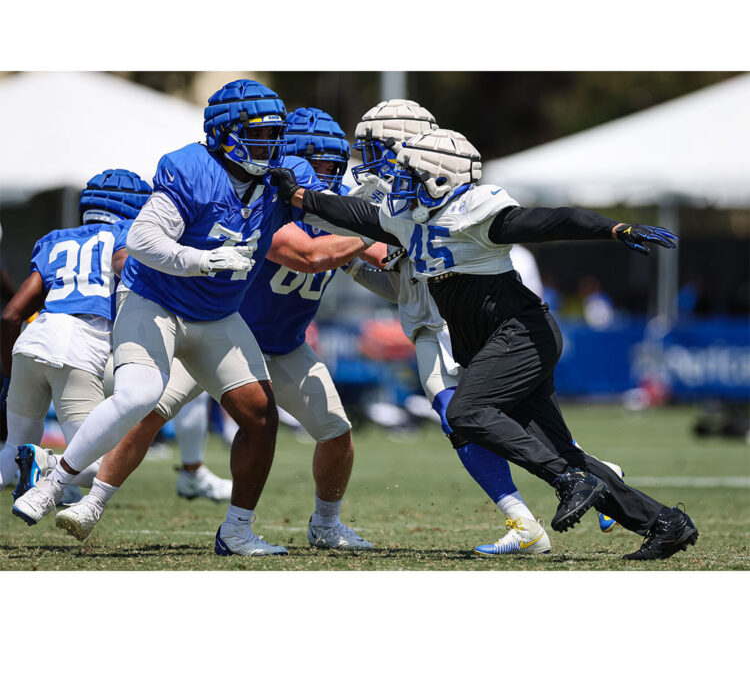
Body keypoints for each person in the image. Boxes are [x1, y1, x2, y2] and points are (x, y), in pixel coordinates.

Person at [271, 127, 699, 561]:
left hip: (521, 334)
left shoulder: (476, 211)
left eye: (409, 174)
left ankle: (567, 480)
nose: (398, 182)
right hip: (491, 341)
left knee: (466, 412)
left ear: (438, 178)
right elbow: (354, 214)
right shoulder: (409, 215)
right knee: (561, 450)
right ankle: (664, 523)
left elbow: (551, 221)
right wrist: (300, 197)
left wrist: (613, 229)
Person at [51, 105, 374, 551]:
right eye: (321, 163)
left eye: (337, 164)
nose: (331, 173)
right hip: (215, 330)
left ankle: (323, 524)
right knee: (146, 410)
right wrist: (377, 225)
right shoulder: (268, 203)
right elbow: (313, 255)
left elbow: (375, 256)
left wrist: (391, 225)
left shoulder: (321, 209)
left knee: (336, 433)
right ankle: (92, 499)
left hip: (279, 346)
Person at [12, 79, 304, 557]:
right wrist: (204, 261)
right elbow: (144, 241)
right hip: (155, 301)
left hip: (216, 316)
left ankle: (236, 531)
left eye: (275, 135)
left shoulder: (278, 181)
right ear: (225, 134)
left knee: (261, 417)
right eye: (257, 134)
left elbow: (325, 216)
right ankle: (54, 483)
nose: (268, 146)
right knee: (141, 392)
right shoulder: (192, 169)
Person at [341, 99, 553, 554]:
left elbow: (414, 260)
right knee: (510, 421)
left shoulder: (432, 192)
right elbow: (403, 286)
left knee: (463, 419)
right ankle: (594, 476)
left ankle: (527, 520)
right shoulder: (395, 193)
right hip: (430, 322)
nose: (370, 158)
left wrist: (340, 246)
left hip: (447, 324)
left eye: (377, 146)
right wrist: (357, 269)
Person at [0, 170, 149, 500]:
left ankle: (42, 471)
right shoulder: (126, 238)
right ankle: (45, 461)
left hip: (31, 342)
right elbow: (131, 273)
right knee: (92, 466)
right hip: (79, 346)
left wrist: (9, 377)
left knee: (11, 453)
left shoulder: (58, 239)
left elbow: (11, 314)